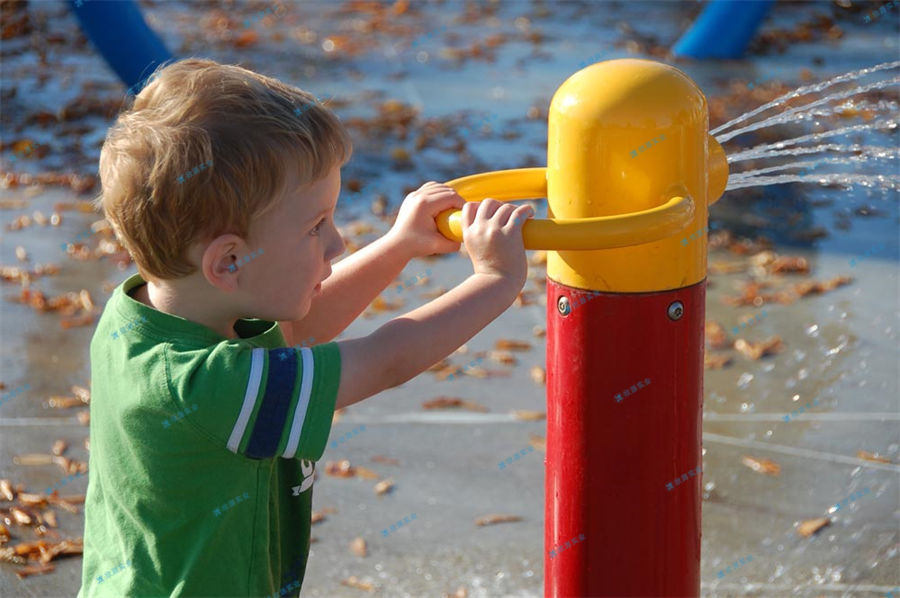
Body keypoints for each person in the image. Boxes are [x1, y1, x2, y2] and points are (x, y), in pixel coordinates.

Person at [77, 58, 534, 597]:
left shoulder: (145, 315)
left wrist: (400, 245)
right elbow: (386, 360)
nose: (338, 245)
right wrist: (497, 280)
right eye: (317, 227)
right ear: (229, 262)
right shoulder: (206, 386)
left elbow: (295, 333)